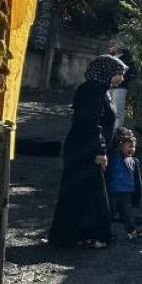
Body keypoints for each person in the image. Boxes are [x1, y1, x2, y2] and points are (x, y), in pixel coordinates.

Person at [48, 55, 125, 248]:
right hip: (85, 150)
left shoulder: (99, 90)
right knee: (90, 194)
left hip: (84, 148)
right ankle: (88, 236)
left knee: (83, 192)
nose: (121, 78)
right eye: (118, 73)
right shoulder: (93, 91)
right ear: (107, 71)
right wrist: (100, 150)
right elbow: (90, 123)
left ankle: (72, 236)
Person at [107, 129, 142, 240]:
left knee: (128, 215)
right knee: (109, 215)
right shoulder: (115, 156)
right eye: (129, 146)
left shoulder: (134, 161)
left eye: (133, 147)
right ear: (121, 146)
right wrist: (123, 135)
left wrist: (137, 196)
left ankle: (132, 233)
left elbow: (137, 180)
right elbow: (113, 144)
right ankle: (105, 234)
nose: (132, 149)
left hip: (126, 194)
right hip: (113, 192)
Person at [106, 40, 137, 132]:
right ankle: (109, 133)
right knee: (109, 110)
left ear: (118, 45)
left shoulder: (126, 57)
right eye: (108, 46)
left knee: (118, 111)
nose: (109, 48)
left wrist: (124, 81)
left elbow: (132, 72)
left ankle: (118, 134)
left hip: (120, 87)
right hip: (109, 87)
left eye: (112, 45)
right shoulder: (109, 57)